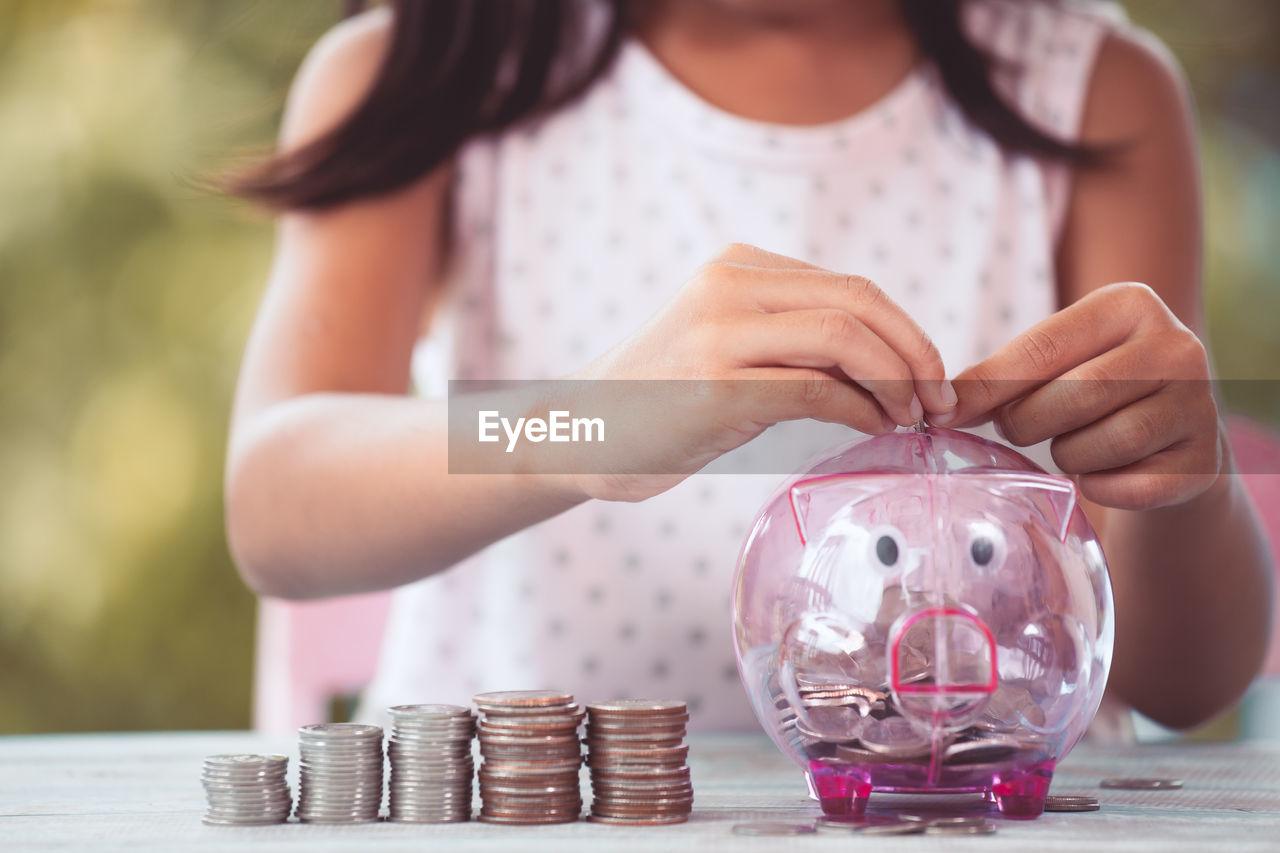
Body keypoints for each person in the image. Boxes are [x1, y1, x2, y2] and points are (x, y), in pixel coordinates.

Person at [224, 0, 1273, 731]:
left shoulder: (1094, 93)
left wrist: (1189, 486)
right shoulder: (426, 73)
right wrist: (594, 423)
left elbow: (1182, 685)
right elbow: (275, 504)